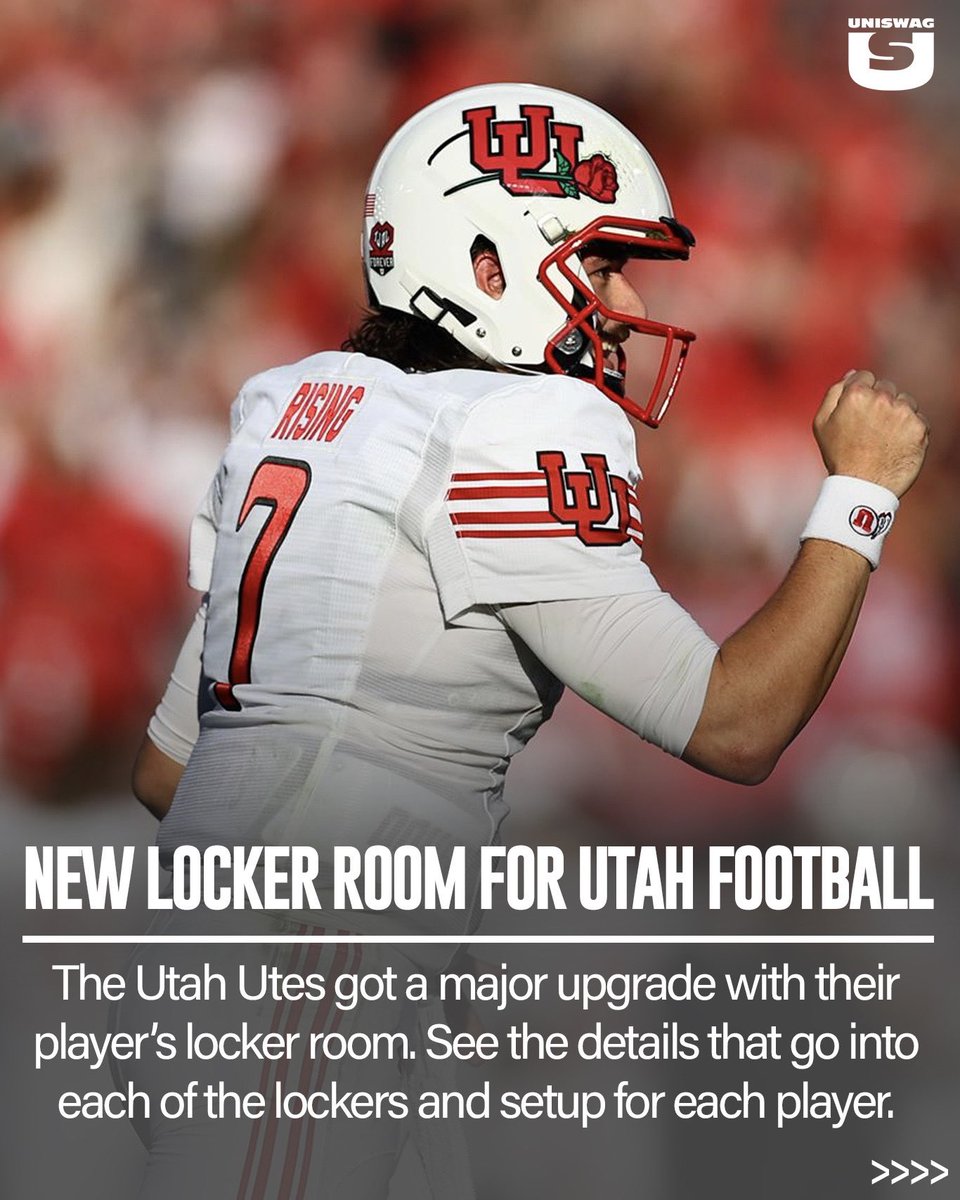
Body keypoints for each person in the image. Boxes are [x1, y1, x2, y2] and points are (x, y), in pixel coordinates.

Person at [124, 83, 929, 1199]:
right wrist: (859, 495)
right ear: (487, 265)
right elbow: (737, 723)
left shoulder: (296, 405)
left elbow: (170, 766)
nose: (627, 296)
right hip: (316, 972)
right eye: (599, 264)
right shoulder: (512, 426)